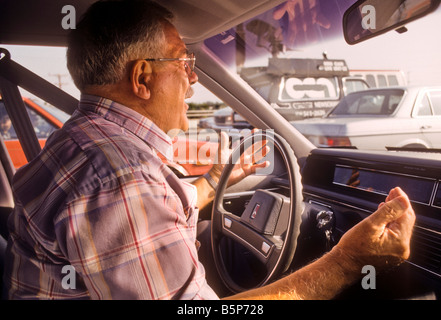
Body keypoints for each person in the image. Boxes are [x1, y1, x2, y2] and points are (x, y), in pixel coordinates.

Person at [3, 0, 415, 300]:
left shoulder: (80, 139)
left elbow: (157, 203)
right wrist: (346, 260)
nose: (193, 80)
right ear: (143, 78)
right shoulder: (120, 179)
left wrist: (216, 180)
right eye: (185, 64)